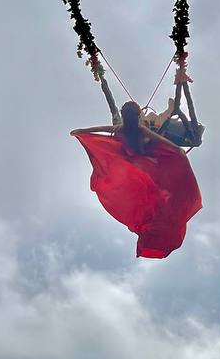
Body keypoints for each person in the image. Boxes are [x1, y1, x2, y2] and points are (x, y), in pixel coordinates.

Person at [71, 100, 202, 258]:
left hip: (136, 162)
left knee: (152, 194)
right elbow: (159, 139)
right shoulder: (138, 129)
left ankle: (155, 217)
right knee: (155, 193)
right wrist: (177, 150)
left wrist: (81, 131)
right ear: (138, 115)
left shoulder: (122, 128)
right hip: (145, 161)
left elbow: (100, 129)